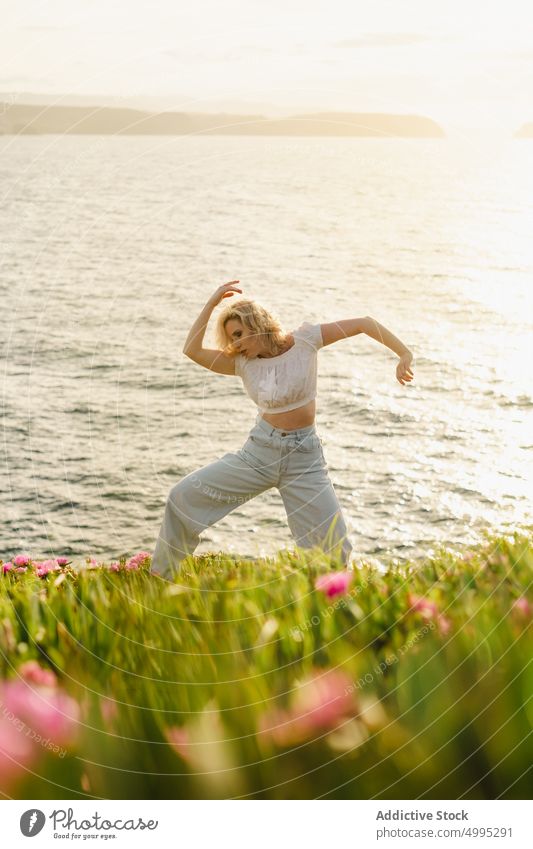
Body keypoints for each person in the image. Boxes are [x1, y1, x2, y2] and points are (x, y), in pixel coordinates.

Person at [151, 281, 414, 579]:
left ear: (257, 323)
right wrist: (212, 304)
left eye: (238, 334)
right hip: (258, 455)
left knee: (334, 543)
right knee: (181, 497)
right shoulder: (240, 363)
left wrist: (403, 353)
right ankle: (160, 578)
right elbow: (191, 350)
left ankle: (330, 600)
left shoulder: (306, 340)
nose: (234, 343)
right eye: (229, 337)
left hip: (304, 460)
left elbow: (364, 324)